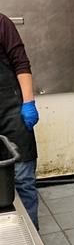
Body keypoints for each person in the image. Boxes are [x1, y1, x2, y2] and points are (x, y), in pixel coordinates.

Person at [0, 12, 39, 227]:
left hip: (11, 110)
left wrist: (28, 102)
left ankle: (32, 234)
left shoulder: (2, 23)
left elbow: (21, 64)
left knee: (23, 179)